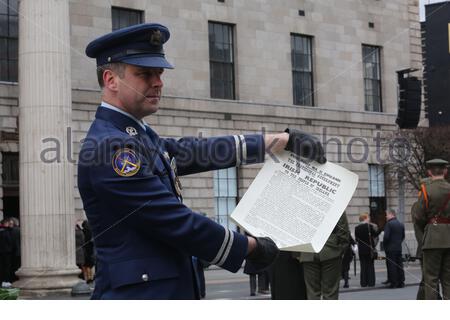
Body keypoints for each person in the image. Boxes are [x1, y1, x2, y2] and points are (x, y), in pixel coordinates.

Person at [78, 22, 326, 299]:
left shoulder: (137, 135)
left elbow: (195, 151)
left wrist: (279, 141)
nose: (158, 82)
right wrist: (249, 247)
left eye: (159, 73)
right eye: (144, 74)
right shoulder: (111, 145)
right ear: (111, 80)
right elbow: (170, 219)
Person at [414, 159, 450, 300]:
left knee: (431, 280)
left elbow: (418, 216)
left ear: (429, 172)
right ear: (445, 172)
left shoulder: (425, 189)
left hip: (432, 239)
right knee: (448, 280)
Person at [299, 213, 350, 299]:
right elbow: (343, 230)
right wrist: (340, 249)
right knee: (330, 292)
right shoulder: (336, 202)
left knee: (312, 293)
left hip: (308, 251)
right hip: (330, 250)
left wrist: (299, 253)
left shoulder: (301, 203)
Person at [355, 213, 380, 287]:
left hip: (361, 250)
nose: (369, 219)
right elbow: (375, 234)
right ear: (365, 218)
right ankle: (371, 282)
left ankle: (363, 283)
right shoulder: (370, 226)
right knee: (370, 266)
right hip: (369, 249)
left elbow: (357, 239)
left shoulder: (357, 228)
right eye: (368, 217)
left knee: (363, 266)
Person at [383, 208, 405, 288]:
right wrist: (398, 242)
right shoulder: (400, 224)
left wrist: (385, 245)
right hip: (398, 247)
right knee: (399, 265)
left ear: (391, 214)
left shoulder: (389, 224)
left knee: (391, 265)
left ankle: (394, 282)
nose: (386, 216)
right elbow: (403, 236)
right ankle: (401, 282)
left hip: (390, 248)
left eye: (386, 214)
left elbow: (386, 237)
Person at [0, 219, 13, 288]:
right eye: (8, 223)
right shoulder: (6, 232)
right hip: (7, 252)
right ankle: (6, 281)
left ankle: (2, 281)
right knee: (7, 267)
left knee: (2, 267)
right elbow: (10, 241)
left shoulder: (2, 231)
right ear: (5, 223)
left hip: (1, 252)